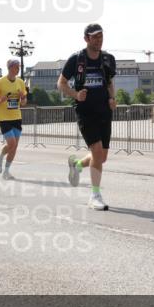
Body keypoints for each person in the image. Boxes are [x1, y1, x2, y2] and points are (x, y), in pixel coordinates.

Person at [58, 23, 117, 210]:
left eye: (101, 36)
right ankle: (95, 195)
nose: (99, 40)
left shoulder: (108, 59)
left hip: (104, 112)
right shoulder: (76, 59)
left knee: (101, 157)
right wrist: (75, 95)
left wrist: (112, 98)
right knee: (97, 152)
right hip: (85, 112)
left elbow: (108, 82)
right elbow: (61, 83)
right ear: (86, 39)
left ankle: (76, 165)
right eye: (95, 37)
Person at [0, 59, 28, 180]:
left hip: (16, 117)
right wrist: (0, 101)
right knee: (11, 143)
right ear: (11, 67)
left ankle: (6, 171)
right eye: (17, 67)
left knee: (14, 146)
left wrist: (23, 99)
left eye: (19, 67)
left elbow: (24, 102)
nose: (19, 69)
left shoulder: (21, 82)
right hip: (3, 117)